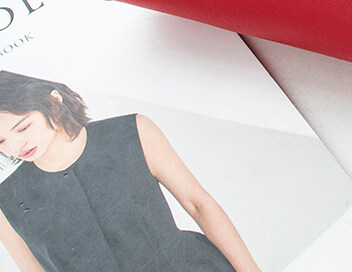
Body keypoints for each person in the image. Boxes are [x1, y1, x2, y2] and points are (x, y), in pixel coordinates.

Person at [0, 71, 262, 272]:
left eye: (23, 128)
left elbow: (198, 204)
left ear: (54, 102)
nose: (14, 146)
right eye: (0, 141)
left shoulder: (131, 132)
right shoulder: (6, 199)